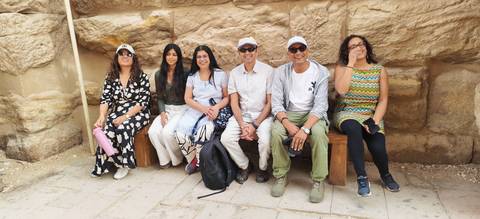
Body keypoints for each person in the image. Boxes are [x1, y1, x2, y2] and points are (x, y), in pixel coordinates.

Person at [333, 34, 400, 197]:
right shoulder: (342, 68)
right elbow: (341, 91)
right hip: (346, 113)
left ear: (367, 47)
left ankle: (385, 175)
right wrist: (351, 63)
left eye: (361, 44)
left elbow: (383, 100)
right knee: (354, 129)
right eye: (353, 46)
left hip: (370, 114)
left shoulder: (379, 70)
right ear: (347, 52)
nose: (358, 48)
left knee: (377, 145)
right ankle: (362, 177)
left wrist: (374, 121)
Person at [270, 36, 330, 203]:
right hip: (289, 113)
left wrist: (305, 129)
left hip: (312, 114)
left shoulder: (321, 72)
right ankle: (281, 175)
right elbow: (276, 103)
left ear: (307, 51)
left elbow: (320, 106)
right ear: (289, 54)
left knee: (318, 134)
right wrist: (287, 124)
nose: (298, 53)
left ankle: (318, 180)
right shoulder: (281, 72)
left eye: (301, 48)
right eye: (293, 50)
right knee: (276, 132)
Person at [91, 44, 151, 180]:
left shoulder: (142, 77)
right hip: (117, 112)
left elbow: (142, 102)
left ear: (133, 58)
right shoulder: (111, 77)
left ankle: (125, 164)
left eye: (128, 54)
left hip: (138, 113)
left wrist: (126, 116)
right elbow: (105, 99)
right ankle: (111, 162)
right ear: (116, 58)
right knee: (106, 132)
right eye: (121, 54)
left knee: (123, 128)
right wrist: (102, 116)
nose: (125, 56)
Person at [220, 37, 274, 184]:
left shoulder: (268, 71)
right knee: (226, 138)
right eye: (243, 50)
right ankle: (244, 165)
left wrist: (254, 125)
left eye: (251, 49)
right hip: (241, 116)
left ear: (257, 51)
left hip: (263, 116)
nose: (247, 52)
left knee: (265, 140)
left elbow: (269, 103)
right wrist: (243, 125)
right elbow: (234, 103)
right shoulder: (234, 73)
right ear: (239, 52)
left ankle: (262, 168)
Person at [175, 45, 229, 174]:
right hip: (196, 109)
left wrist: (216, 108)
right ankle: (193, 159)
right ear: (195, 59)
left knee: (202, 133)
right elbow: (187, 98)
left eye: (205, 56)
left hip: (214, 111)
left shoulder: (220, 74)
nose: (202, 59)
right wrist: (203, 108)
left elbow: (227, 97)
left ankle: (202, 162)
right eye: (198, 57)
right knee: (179, 134)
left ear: (210, 57)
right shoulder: (192, 76)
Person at [148, 44, 188, 169]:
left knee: (167, 133)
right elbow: (160, 97)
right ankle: (164, 159)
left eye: (174, 54)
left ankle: (177, 158)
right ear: (165, 56)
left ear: (178, 57)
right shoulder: (159, 74)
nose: (171, 57)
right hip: (167, 109)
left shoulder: (186, 73)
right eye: (168, 54)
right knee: (153, 132)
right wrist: (162, 112)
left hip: (182, 109)